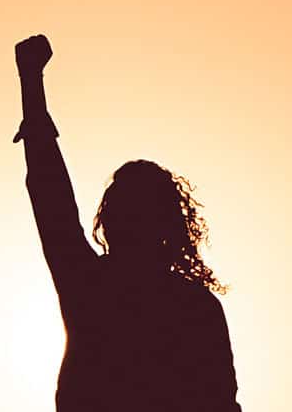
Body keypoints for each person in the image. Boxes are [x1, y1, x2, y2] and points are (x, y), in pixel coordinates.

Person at [13, 34, 243, 412]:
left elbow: (220, 402)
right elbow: (49, 192)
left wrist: (31, 82)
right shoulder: (93, 283)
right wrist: (31, 86)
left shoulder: (187, 306)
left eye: (137, 212)